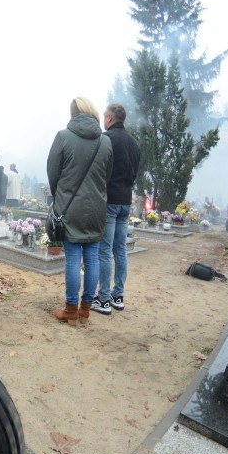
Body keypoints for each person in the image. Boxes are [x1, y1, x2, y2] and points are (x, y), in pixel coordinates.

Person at [46, 97, 113, 326]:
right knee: (92, 259)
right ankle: (86, 310)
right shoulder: (105, 142)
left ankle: (71, 310)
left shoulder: (63, 136)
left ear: (73, 113)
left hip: (69, 208)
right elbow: (107, 176)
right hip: (96, 208)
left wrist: (61, 196)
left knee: (73, 260)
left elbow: (52, 173)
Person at [93, 104, 140, 316]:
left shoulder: (106, 139)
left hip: (110, 200)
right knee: (120, 250)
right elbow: (134, 173)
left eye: (105, 116)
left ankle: (103, 299)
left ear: (110, 118)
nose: (104, 119)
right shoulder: (134, 143)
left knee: (104, 250)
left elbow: (100, 169)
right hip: (125, 201)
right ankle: (117, 296)